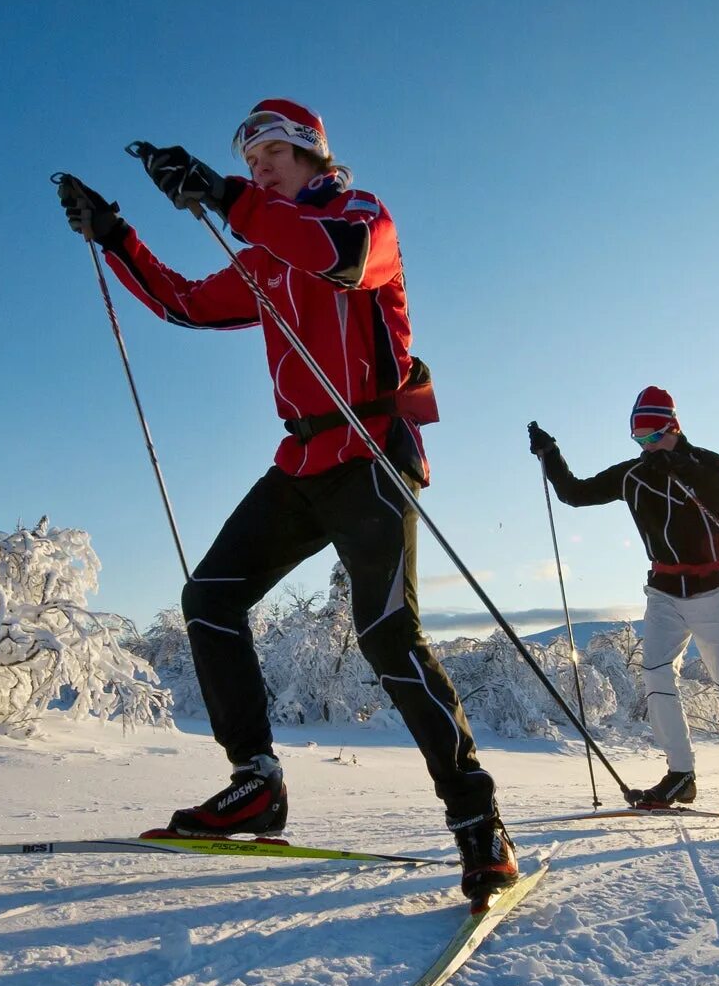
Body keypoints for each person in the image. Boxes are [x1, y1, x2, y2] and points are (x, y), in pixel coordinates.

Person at [54, 100, 518, 904]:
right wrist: (116, 236)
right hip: (301, 458)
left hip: (371, 450)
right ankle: (256, 780)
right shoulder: (262, 252)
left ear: (310, 153)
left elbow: (338, 259)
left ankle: (478, 824)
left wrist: (231, 197)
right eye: (247, 154)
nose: (258, 162)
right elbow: (186, 304)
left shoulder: (361, 218)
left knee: (385, 634)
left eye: (270, 150)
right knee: (210, 598)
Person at [528, 388, 719, 830]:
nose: (647, 447)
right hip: (662, 592)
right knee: (656, 674)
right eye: (639, 440)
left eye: (654, 437)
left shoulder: (707, 462)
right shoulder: (634, 475)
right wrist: (551, 455)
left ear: (673, 427)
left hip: (714, 592)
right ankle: (681, 774)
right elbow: (575, 494)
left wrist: (684, 467)